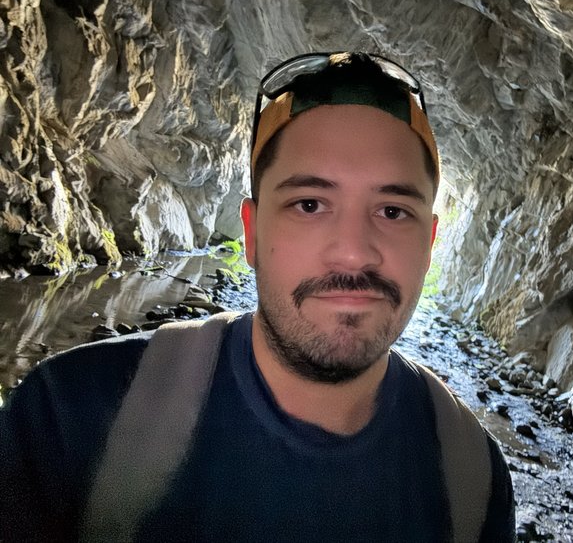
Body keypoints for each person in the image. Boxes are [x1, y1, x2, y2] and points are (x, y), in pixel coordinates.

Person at [0, 52, 515, 542]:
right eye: (309, 204)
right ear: (250, 233)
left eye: (393, 211)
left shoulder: (474, 477)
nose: (354, 253)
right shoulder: (66, 421)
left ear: (429, 244)